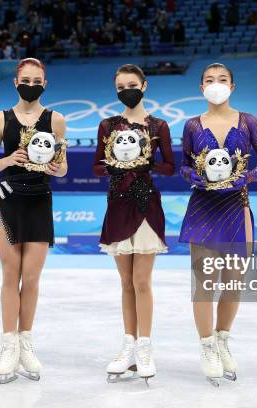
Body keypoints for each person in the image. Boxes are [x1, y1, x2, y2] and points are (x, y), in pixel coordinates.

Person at [179, 62, 257, 386]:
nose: (215, 84)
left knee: (233, 283)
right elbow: (183, 167)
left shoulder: (248, 122)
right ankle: (206, 347)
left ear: (232, 87)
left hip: (237, 206)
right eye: (209, 80)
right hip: (204, 207)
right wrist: (197, 178)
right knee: (205, 283)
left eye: (221, 79)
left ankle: (222, 340)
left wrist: (243, 177)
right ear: (201, 88)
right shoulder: (193, 125)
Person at [0, 57, 68, 384]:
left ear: (44, 84)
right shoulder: (0, 119)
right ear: (15, 82)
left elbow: (64, 167)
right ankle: (8, 345)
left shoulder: (56, 120)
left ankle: (26, 343)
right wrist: (7, 159)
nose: (31, 84)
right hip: (9, 202)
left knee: (30, 278)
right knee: (10, 274)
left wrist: (56, 168)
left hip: (39, 202)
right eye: (25, 79)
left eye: (37, 80)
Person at [93, 64, 175, 384]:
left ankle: (145, 347)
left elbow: (170, 167)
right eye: (120, 86)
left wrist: (146, 160)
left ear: (144, 86)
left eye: (131, 84)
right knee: (125, 282)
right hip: (117, 204)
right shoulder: (107, 125)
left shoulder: (158, 126)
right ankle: (128, 344)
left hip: (146, 205)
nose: (125, 89)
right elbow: (97, 167)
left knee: (142, 281)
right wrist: (114, 165)